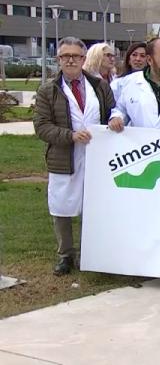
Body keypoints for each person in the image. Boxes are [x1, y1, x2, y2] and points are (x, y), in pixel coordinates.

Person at [33, 36, 116, 276]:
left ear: (83, 58)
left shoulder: (99, 86)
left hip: (96, 156)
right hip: (64, 157)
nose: (70, 60)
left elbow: (113, 110)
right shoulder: (48, 90)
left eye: (75, 56)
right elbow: (42, 126)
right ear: (58, 59)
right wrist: (69, 135)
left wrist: (115, 119)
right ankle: (66, 255)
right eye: (65, 56)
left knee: (95, 205)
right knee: (62, 206)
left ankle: (92, 252)